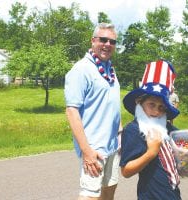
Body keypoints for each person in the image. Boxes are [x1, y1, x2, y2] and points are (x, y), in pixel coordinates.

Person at [120, 60, 188, 199]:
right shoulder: (133, 130)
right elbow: (126, 171)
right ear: (139, 102)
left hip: (173, 193)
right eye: (151, 105)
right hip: (151, 196)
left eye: (161, 107)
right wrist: (151, 153)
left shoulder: (165, 126)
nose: (156, 112)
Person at [64, 23, 122, 200]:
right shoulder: (81, 70)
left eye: (112, 41)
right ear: (93, 40)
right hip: (94, 148)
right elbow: (71, 111)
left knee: (109, 191)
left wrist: (120, 136)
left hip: (113, 146)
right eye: (103, 39)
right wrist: (86, 151)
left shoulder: (109, 69)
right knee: (90, 196)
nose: (107, 44)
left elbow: (112, 105)